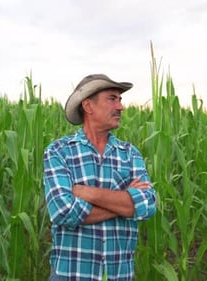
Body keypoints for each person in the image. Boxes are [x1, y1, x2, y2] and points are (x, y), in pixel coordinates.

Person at [43, 74, 157, 281]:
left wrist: (88, 193)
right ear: (88, 106)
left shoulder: (129, 153)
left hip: (119, 275)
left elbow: (148, 205)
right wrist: (125, 203)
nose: (120, 106)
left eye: (120, 99)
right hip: (71, 275)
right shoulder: (59, 151)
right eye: (112, 98)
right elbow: (63, 212)